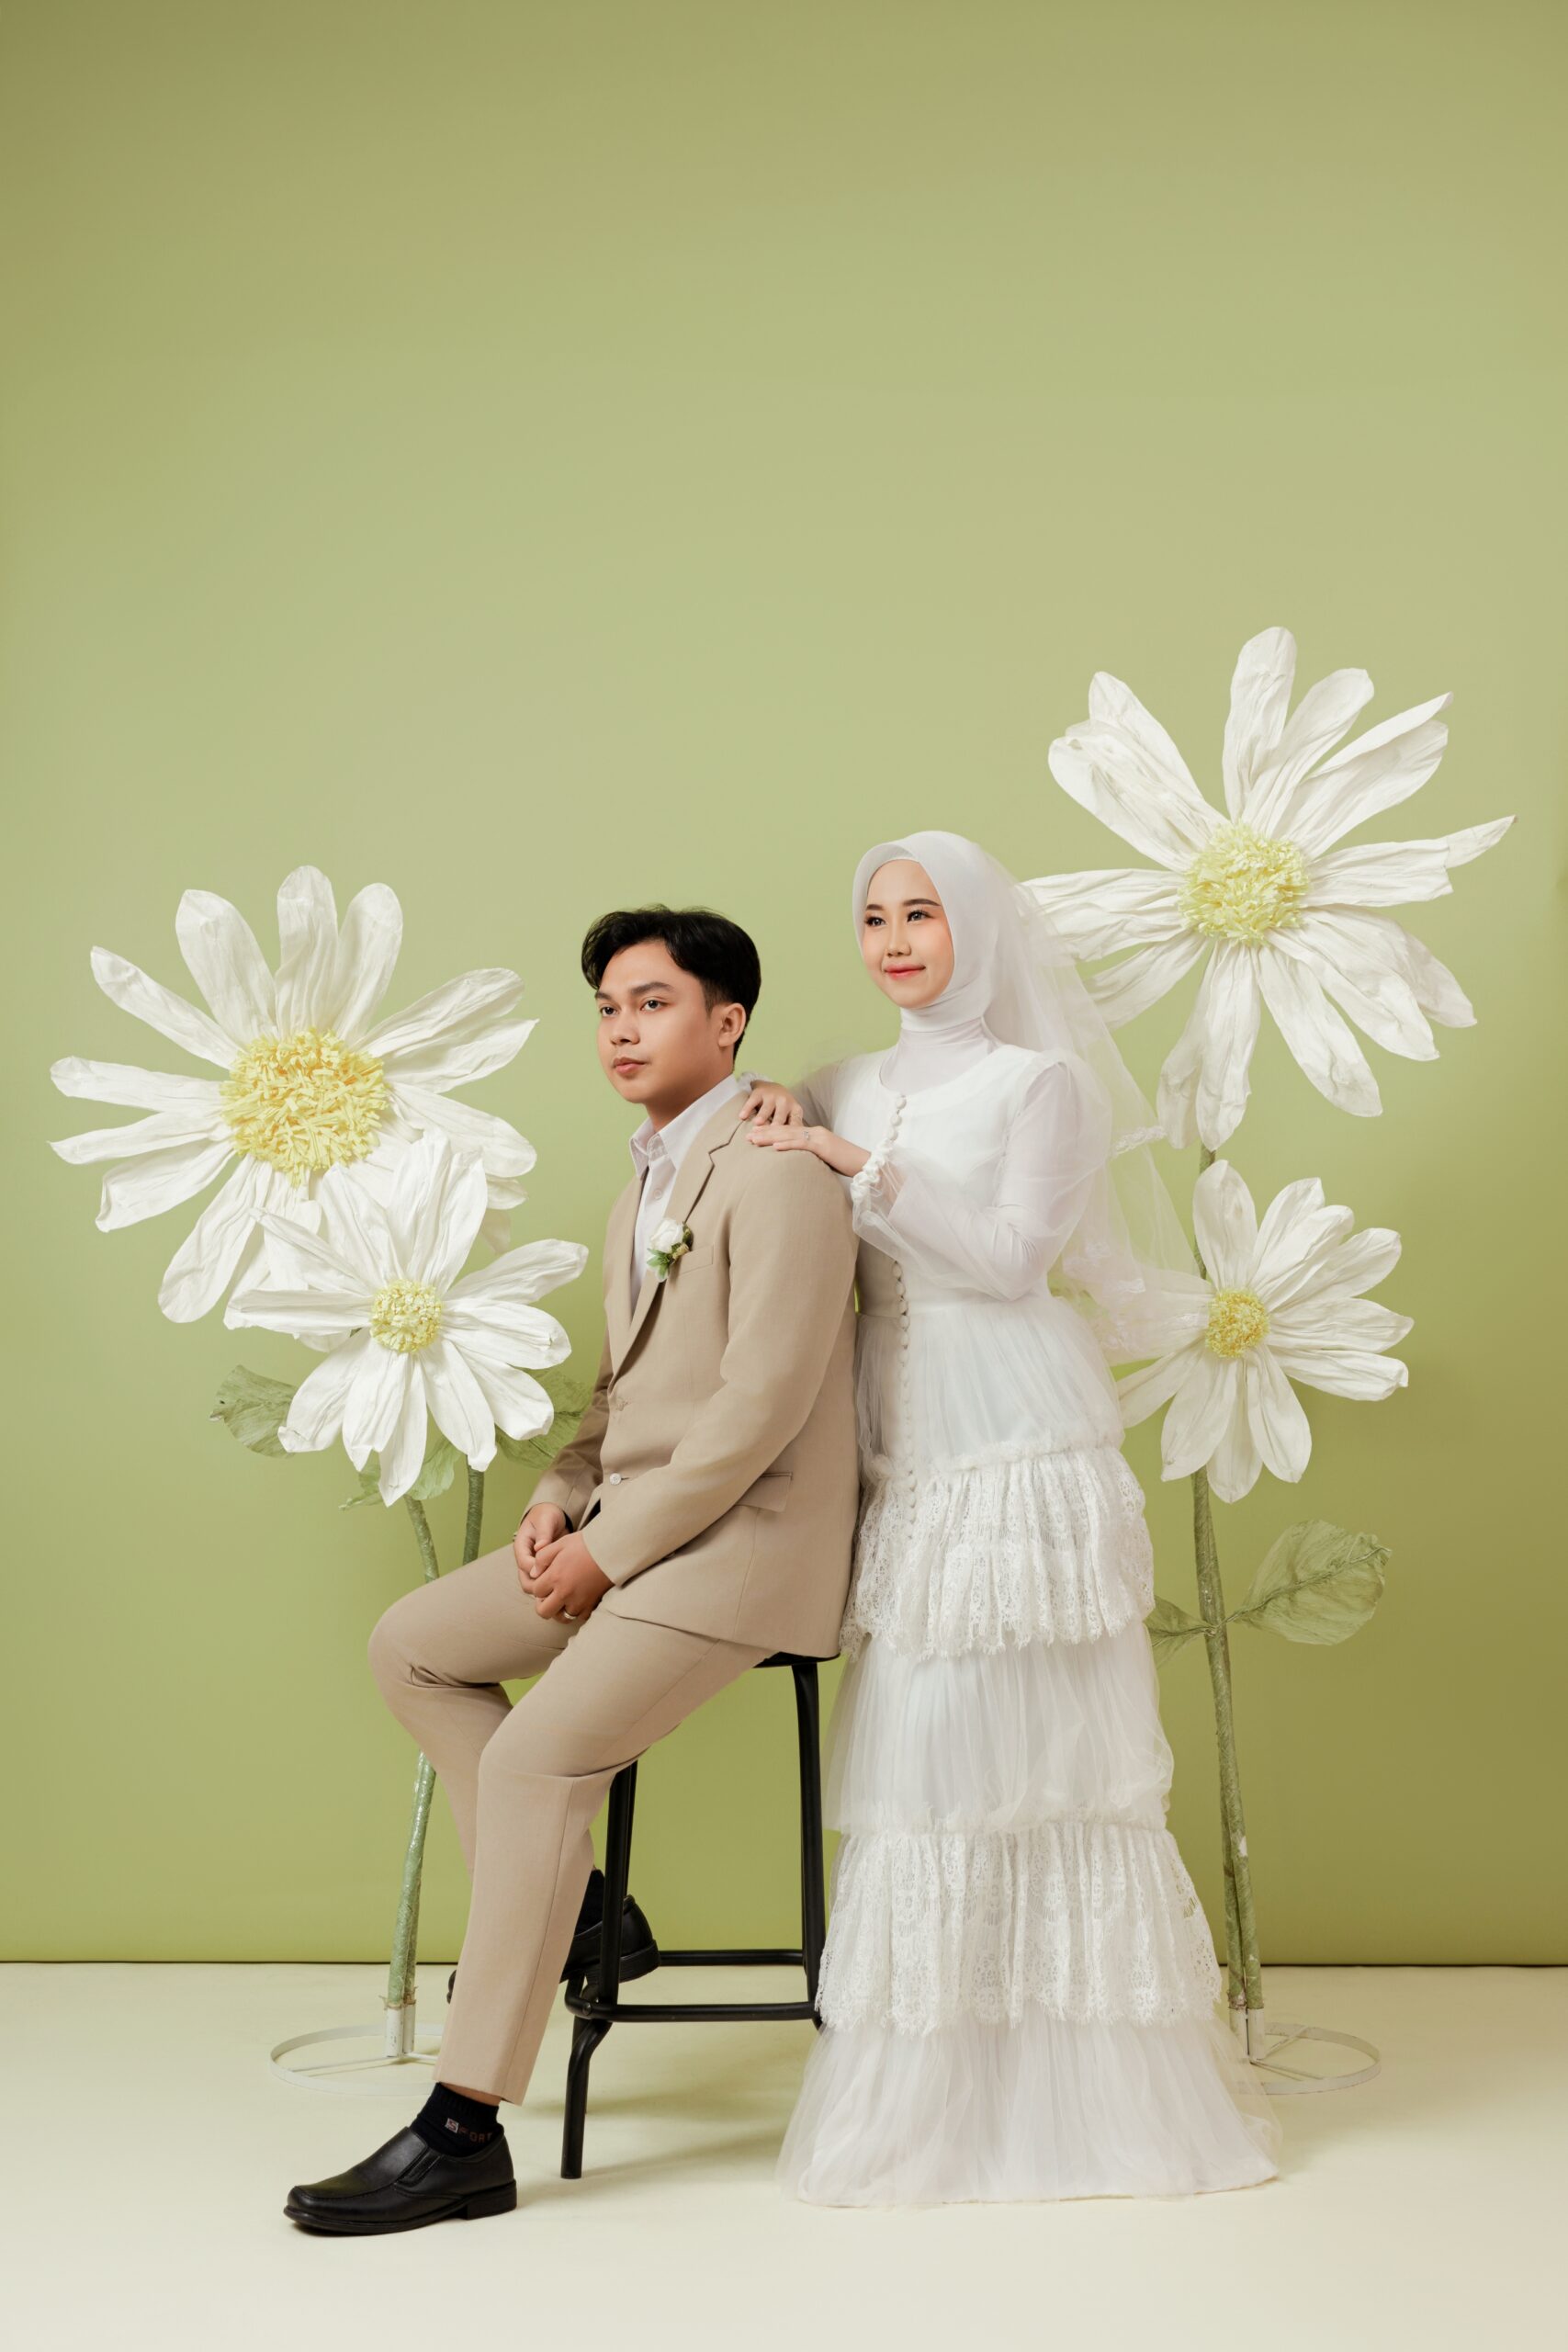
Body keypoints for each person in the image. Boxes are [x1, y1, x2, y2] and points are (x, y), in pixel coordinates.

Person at [284, 906, 860, 2233]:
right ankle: (592, 1913)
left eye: (653, 1003)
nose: (621, 1029)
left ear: (728, 1023)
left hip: (748, 1546)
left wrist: (611, 1549)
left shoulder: (778, 1173)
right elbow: (616, 1397)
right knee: (411, 1647)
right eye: (607, 1007)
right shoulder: (638, 1190)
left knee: (537, 1764)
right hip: (634, 1525)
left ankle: (461, 2131)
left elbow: (763, 1408)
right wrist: (560, 1499)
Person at [742, 831, 1281, 2203]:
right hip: (901, 1433)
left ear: (977, 928)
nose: (895, 940)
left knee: (1045, 1757)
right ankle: (927, 2101)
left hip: (1012, 1429)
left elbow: (1013, 1261)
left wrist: (851, 1160)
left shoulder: (1037, 1085)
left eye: (922, 913)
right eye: (875, 917)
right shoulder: (838, 1079)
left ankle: (1080, 2103)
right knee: (927, 1766)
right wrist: (785, 1115)